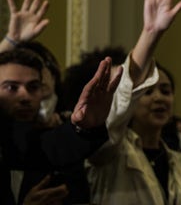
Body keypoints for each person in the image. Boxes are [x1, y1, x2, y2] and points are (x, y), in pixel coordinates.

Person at [83, 0, 181, 204]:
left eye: (166, 91)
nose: (159, 98)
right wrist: (151, 34)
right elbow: (126, 88)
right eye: (148, 91)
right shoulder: (108, 152)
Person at [0, 49, 123, 204]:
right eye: (11, 87)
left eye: (33, 87)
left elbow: (49, 146)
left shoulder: (26, 140)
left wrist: (87, 126)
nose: (24, 96)